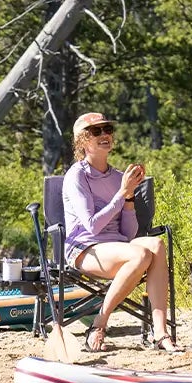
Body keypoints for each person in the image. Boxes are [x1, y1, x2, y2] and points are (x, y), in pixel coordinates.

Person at [61, 111, 171, 353]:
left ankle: (161, 333)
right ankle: (99, 322)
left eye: (108, 129)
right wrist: (121, 194)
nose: (105, 135)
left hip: (116, 247)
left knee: (157, 246)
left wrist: (129, 196)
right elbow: (92, 226)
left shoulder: (119, 177)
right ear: (82, 140)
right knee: (140, 255)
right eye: (96, 131)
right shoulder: (76, 175)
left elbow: (128, 234)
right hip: (85, 248)